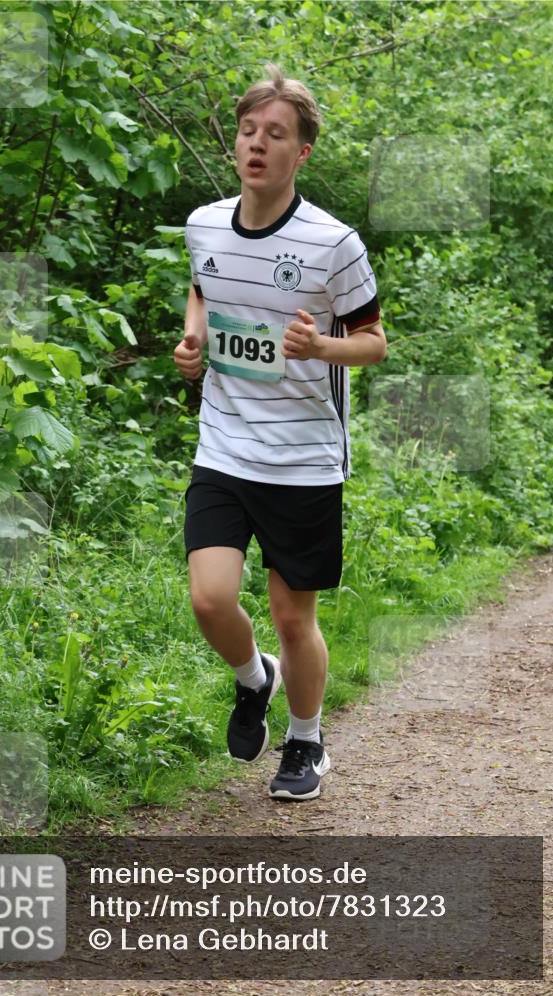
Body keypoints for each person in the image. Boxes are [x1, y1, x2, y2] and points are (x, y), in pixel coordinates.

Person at [173, 64, 386, 801]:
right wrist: (192, 341)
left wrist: (319, 348)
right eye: (247, 131)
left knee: (294, 619)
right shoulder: (204, 222)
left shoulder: (333, 244)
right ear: (235, 142)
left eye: (275, 135)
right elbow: (203, 285)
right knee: (208, 598)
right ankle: (250, 677)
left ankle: (305, 741)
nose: (256, 145)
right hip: (225, 444)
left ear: (300, 154)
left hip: (303, 458)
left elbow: (373, 341)